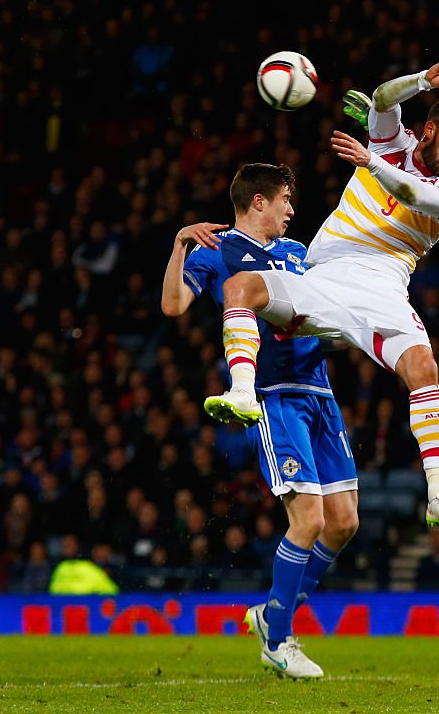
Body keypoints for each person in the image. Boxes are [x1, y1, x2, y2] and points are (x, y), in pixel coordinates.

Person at [205, 61, 439, 531]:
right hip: (324, 275)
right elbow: (381, 99)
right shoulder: (395, 142)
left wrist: (370, 161)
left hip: (383, 287)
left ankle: (438, 493)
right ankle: (243, 393)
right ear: (429, 129)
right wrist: (420, 81)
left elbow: (419, 198)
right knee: (240, 288)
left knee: (423, 367)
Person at [160, 163, 359, 679]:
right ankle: (281, 636)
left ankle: (271, 614)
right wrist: (180, 243)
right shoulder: (216, 251)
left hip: (320, 392)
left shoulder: (299, 255)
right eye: (285, 201)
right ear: (258, 203)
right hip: (272, 397)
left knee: (344, 523)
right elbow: (174, 305)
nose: (292, 209)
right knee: (309, 519)